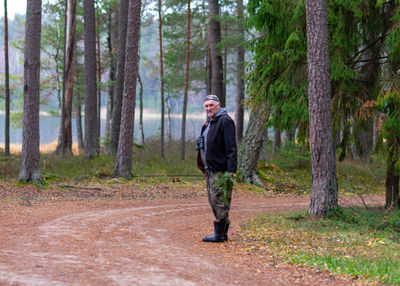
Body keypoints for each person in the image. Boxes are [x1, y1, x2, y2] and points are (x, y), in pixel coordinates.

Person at [196, 94, 237, 242]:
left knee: (219, 201)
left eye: (211, 105)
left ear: (218, 105)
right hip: (209, 169)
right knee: (214, 201)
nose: (209, 108)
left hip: (221, 170)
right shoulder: (210, 122)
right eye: (206, 106)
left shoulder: (225, 121)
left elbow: (231, 148)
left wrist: (231, 171)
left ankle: (219, 234)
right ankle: (222, 232)